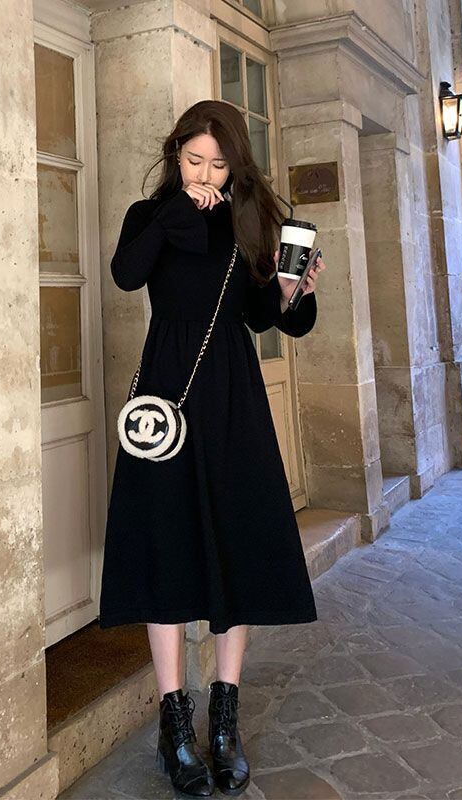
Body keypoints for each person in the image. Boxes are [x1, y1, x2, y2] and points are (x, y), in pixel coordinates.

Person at [98, 100, 328, 797]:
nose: (205, 173)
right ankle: (174, 725)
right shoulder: (151, 215)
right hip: (166, 394)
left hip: (231, 395)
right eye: (194, 160)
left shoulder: (249, 222)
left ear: (236, 166)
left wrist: (291, 292)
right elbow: (127, 274)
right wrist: (179, 210)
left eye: (218, 164)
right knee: (165, 545)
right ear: (176, 156)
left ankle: (225, 719)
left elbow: (265, 318)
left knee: (239, 540)